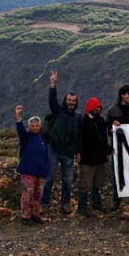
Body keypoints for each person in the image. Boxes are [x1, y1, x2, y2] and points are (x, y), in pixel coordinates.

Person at [42, 70, 81, 215]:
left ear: (76, 102)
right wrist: (53, 85)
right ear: (66, 100)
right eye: (69, 100)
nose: (71, 103)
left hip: (69, 152)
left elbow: (79, 135)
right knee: (49, 178)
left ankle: (65, 204)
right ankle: (44, 203)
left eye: (73, 101)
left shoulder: (78, 117)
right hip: (54, 149)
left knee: (67, 180)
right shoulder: (58, 111)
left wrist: (78, 151)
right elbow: (52, 101)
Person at [76, 97, 111, 217]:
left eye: (98, 107)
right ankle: (82, 207)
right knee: (85, 184)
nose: (96, 109)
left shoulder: (100, 121)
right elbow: (95, 139)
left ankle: (96, 204)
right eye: (94, 107)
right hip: (88, 158)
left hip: (99, 158)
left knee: (97, 184)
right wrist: (107, 149)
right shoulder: (85, 122)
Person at [15, 105, 49, 225]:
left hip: (40, 170)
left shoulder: (42, 138)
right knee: (28, 193)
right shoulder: (26, 137)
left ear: (40, 127)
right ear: (29, 127)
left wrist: (46, 168)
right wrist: (18, 116)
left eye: (36, 126)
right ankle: (25, 216)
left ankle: (35, 214)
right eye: (32, 126)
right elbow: (20, 129)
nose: (35, 128)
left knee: (38, 193)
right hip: (28, 169)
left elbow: (45, 155)